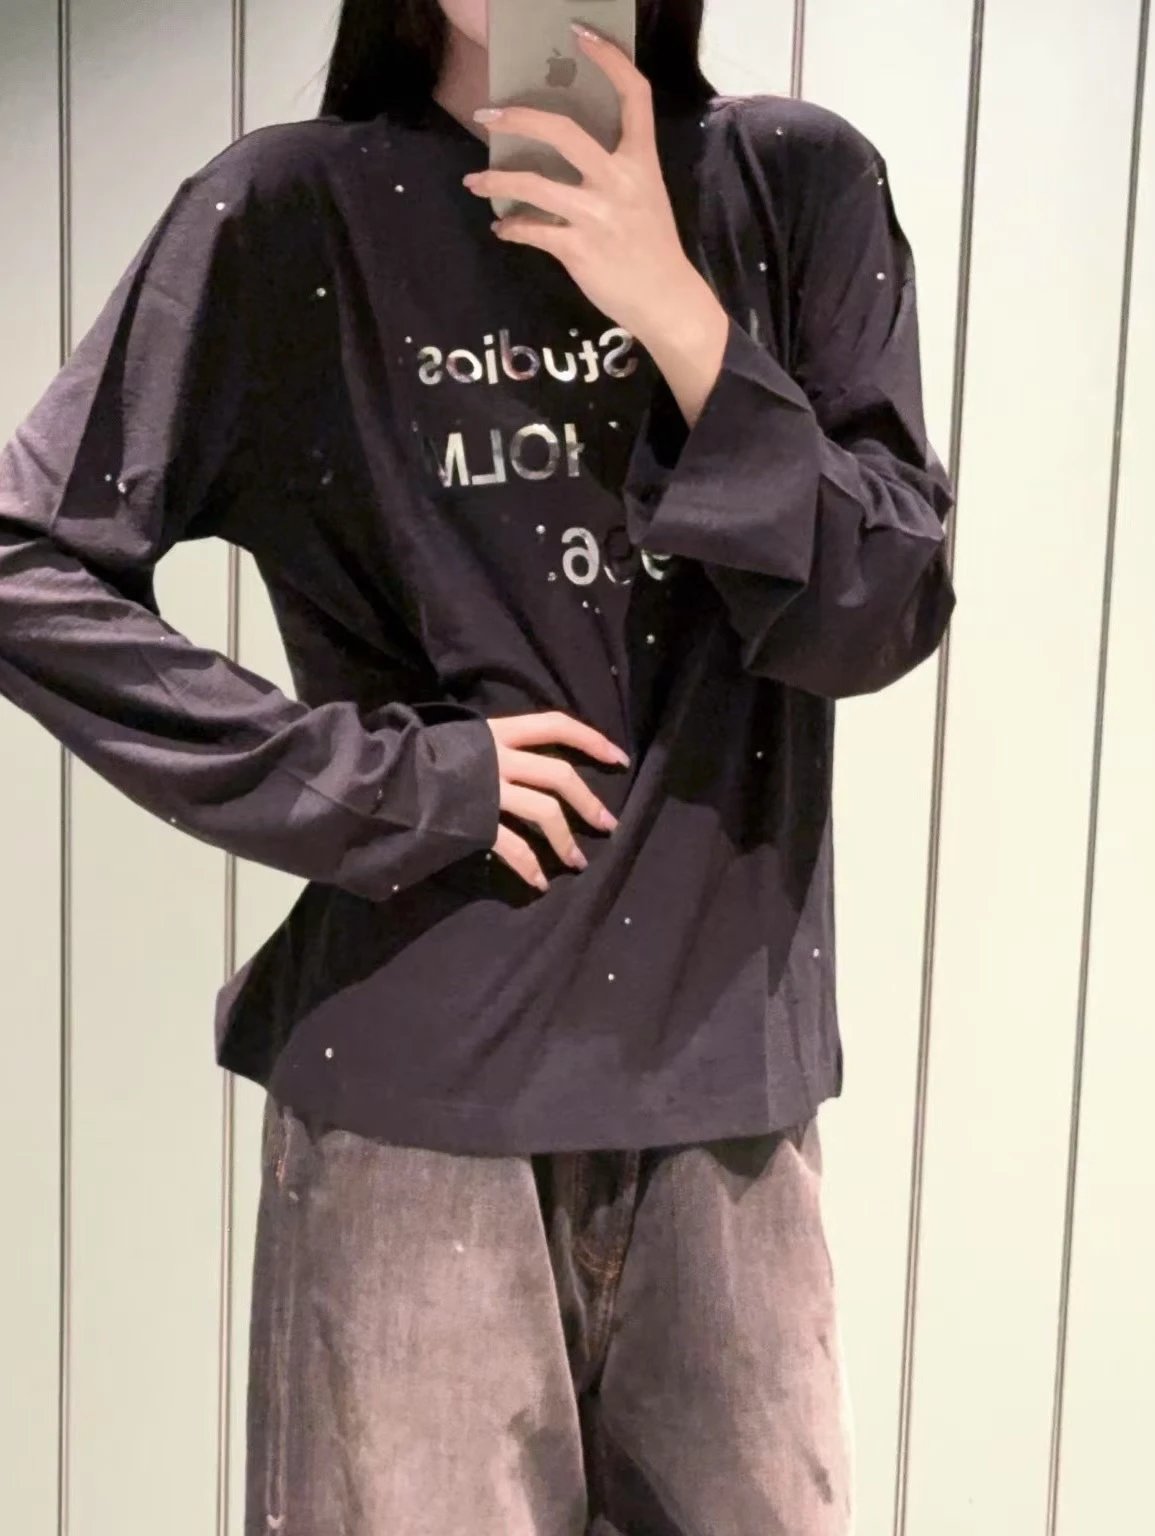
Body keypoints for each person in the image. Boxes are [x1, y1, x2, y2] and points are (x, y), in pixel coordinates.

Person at [0, 0, 956, 1530]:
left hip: (728, 1111)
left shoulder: (793, 188)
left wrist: (676, 309)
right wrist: (389, 781)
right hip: (415, 1120)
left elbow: (880, 611)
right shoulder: (291, 212)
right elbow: (29, 563)